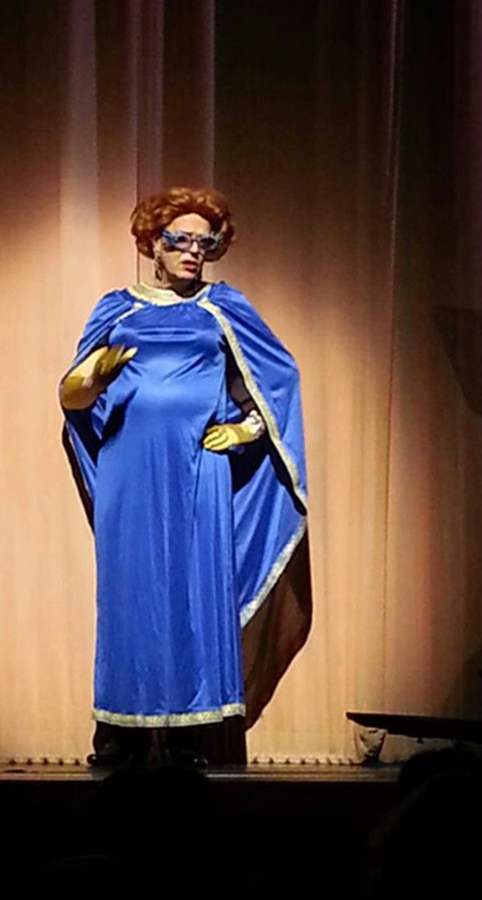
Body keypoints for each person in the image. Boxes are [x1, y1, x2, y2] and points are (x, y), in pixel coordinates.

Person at [60, 187, 311, 766]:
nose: (195, 252)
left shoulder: (223, 307)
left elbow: (276, 380)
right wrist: (94, 375)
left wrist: (246, 431)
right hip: (130, 469)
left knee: (196, 591)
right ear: (153, 242)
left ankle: (190, 734)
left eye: (206, 243)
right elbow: (71, 396)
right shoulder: (116, 309)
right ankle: (121, 731)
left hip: (201, 469)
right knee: (130, 595)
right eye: (181, 240)